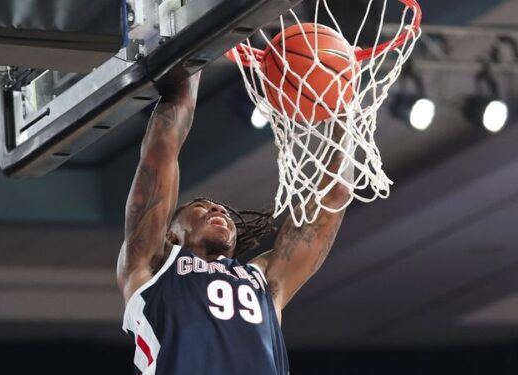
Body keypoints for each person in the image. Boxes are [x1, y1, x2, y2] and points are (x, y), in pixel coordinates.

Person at [116, 72, 350, 375]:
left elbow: (334, 197)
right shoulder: (152, 266)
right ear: (170, 235)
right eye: (201, 206)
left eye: (223, 210)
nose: (217, 208)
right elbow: (162, 149)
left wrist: (343, 111)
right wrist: (193, 64)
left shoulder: (263, 280)